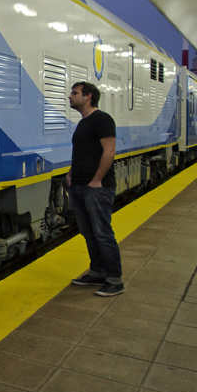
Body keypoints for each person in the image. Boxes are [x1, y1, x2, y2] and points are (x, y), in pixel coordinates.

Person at [66, 82, 123, 297]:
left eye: (75, 93)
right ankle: (97, 272)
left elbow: (109, 151)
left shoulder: (102, 119)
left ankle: (115, 280)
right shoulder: (83, 123)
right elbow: (84, 153)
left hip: (96, 188)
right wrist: (71, 173)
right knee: (89, 233)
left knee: (103, 234)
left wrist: (97, 180)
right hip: (79, 185)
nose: (70, 96)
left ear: (88, 96)